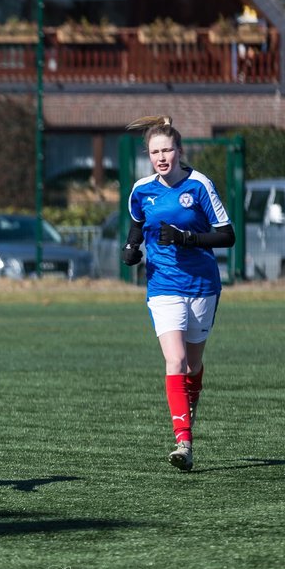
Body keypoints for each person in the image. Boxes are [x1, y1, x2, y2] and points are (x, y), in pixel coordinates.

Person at [122, 115, 236, 472]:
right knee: (174, 361)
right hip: (162, 286)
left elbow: (227, 235)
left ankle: (188, 427)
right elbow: (138, 222)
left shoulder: (200, 185)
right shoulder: (142, 190)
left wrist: (189, 239)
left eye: (167, 149)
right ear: (149, 156)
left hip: (201, 285)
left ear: (179, 150)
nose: (161, 157)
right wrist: (131, 247)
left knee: (193, 364)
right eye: (155, 151)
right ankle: (183, 442)